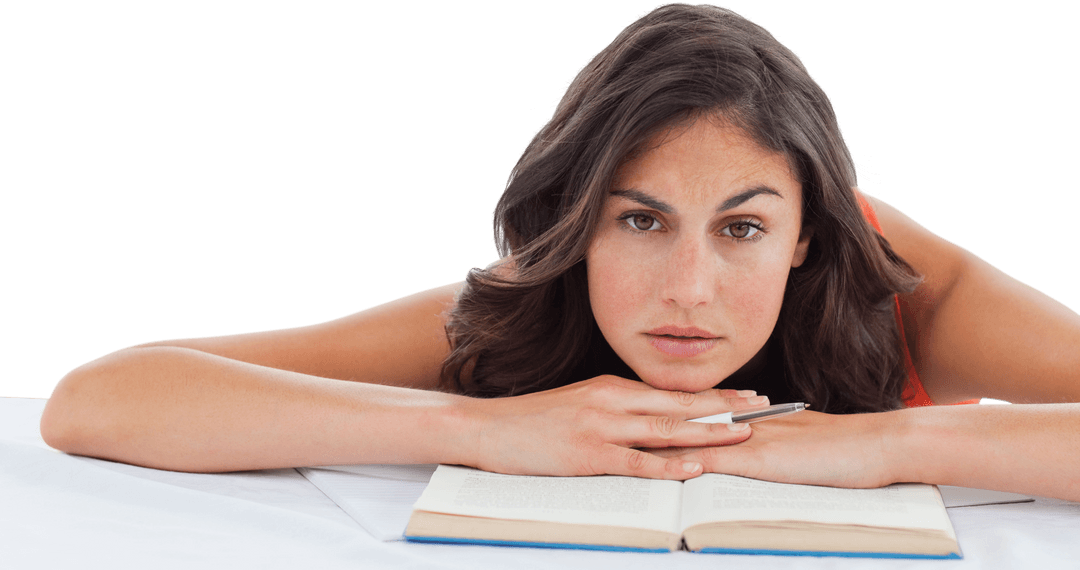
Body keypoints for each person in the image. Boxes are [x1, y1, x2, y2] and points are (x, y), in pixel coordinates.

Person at [40, 3, 1080, 501]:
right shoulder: (530, 306)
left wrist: (892, 447)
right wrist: (479, 427)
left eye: (744, 228)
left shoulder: (906, 287)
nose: (688, 288)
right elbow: (101, 398)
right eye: (639, 220)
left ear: (808, 233)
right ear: (577, 224)